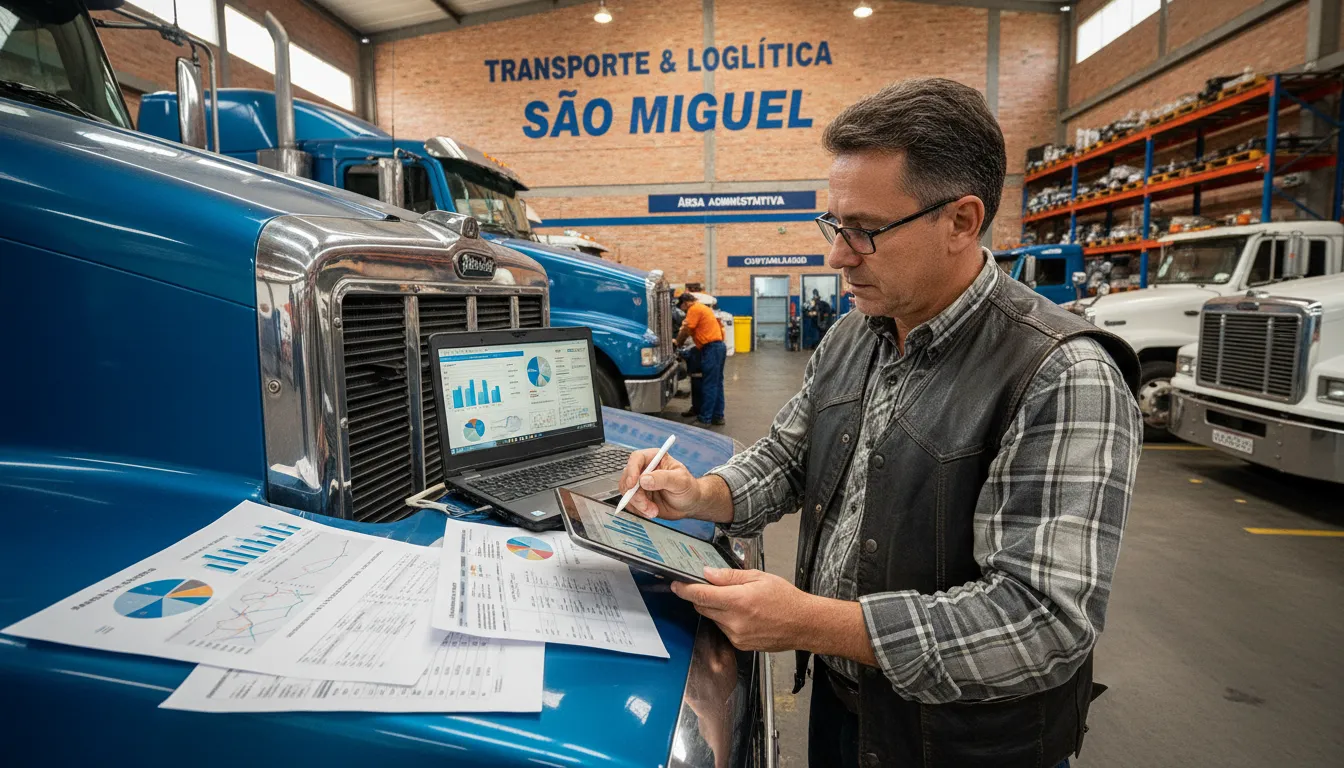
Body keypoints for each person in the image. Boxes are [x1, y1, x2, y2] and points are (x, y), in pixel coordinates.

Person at [619, 78, 1141, 768]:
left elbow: (1040, 623)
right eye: (834, 225)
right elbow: (789, 457)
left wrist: (813, 623)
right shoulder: (854, 334)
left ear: (961, 221)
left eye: (864, 230)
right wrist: (701, 493)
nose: (838, 255)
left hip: (963, 746)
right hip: (846, 708)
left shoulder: (1061, 373)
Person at [675, 291, 725, 426]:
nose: (683, 311)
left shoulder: (694, 308)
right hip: (716, 347)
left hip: (711, 348)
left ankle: (705, 419)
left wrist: (677, 342)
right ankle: (717, 416)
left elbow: (686, 329)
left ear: (685, 303)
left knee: (709, 384)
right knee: (716, 383)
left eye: (682, 308)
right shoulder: (702, 308)